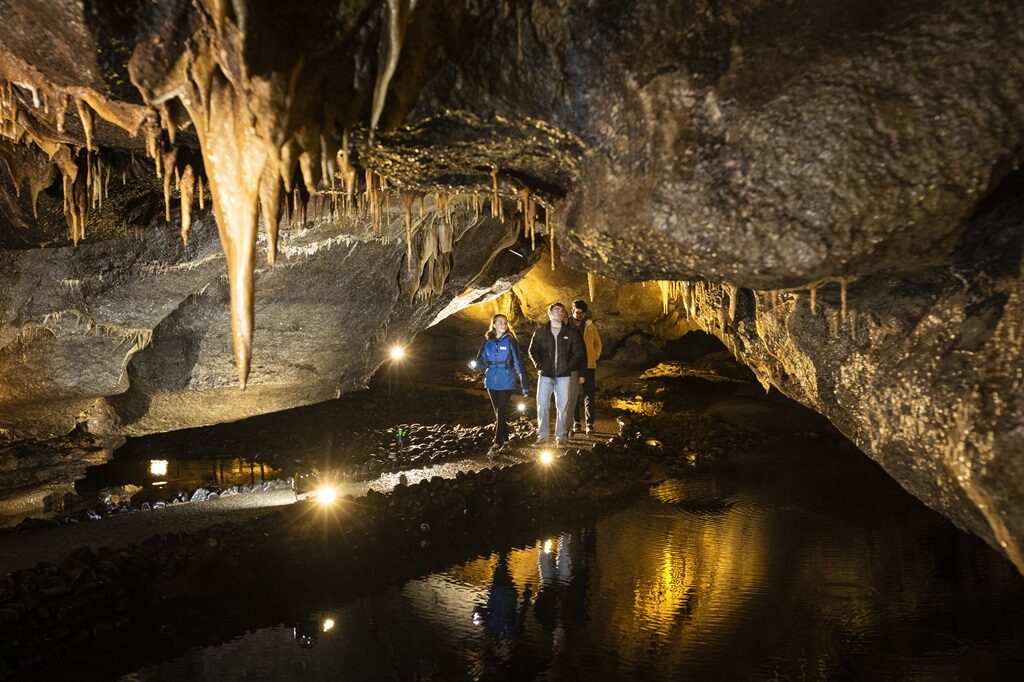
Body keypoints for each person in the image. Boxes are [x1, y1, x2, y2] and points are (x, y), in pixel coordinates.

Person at [473, 314, 530, 457]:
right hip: (491, 381)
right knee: (499, 413)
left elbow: (518, 363)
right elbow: (483, 361)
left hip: (506, 381)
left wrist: (524, 385)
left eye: (505, 322)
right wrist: (475, 366)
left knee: (502, 412)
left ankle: (496, 443)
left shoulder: (511, 341)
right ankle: (506, 442)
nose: (503, 325)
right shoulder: (487, 343)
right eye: (500, 322)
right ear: (493, 324)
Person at [528, 302, 584, 445]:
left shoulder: (571, 333)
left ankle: (561, 436)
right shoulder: (541, 332)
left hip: (564, 376)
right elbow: (532, 350)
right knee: (542, 405)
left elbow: (578, 352)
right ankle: (543, 435)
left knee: (563, 406)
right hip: (545, 375)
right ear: (550, 313)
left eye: (562, 310)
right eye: (556, 309)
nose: (560, 312)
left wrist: (567, 366)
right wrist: (539, 366)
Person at [568, 299, 602, 434]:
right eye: (577, 312)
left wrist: (594, 357)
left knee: (589, 395)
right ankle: (576, 421)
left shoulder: (590, 326)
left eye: (582, 313)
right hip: (573, 365)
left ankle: (590, 424)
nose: (580, 315)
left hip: (588, 365)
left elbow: (598, 344)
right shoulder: (566, 324)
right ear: (572, 310)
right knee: (573, 394)